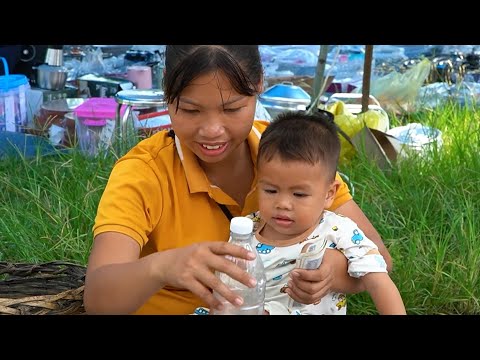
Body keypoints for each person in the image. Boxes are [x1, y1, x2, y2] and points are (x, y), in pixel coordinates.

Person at [84, 45, 393, 315]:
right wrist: (163, 267)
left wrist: (333, 271)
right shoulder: (145, 174)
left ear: (259, 86)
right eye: (191, 110)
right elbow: (98, 299)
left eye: (232, 108)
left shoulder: (289, 154)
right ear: (167, 92)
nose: (212, 130)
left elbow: (380, 258)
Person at [250, 110, 405, 315]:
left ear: (329, 194)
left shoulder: (338, 231)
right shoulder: (248, 228)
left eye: (299, 194)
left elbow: (379, 282)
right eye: (270, 190)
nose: (283, 204)